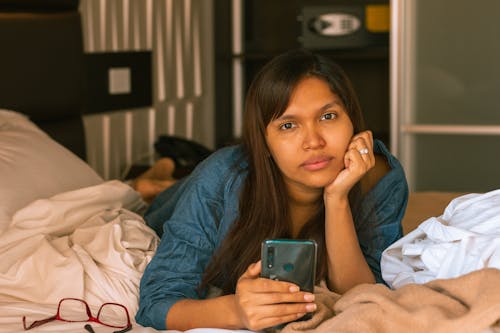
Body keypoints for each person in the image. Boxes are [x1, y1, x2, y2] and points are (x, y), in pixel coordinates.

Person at [135, 48, 408, 331]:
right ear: (263, 142)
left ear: (351, 119)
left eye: (328, 117)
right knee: (161, 195)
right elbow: (156, 304)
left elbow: (362, 293)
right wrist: (236, 312)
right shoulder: (220, 179)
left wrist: (336, 198)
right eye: (288, 125)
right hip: (189, 194)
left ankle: (160, 175)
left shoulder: (378, 176)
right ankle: (154, 183)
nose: (313, 141)